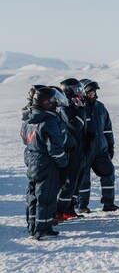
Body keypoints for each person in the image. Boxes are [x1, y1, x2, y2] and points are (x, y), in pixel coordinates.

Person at [20, 87, 68, 240]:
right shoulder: (49, 121)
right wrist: (63, 163)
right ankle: (42, 229)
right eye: (54, 100)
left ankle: (33, 226)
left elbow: (24, 139)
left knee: (33, 195)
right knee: (46, 197)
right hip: (47, 163)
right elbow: (55, 148)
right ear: (46, 102)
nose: (56, 103)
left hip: (32, 161)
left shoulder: (28, 120)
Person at [76, 79, 119, 213]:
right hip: (84, 151)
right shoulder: (79, 108)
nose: (93, 94)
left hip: (101, 149)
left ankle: (108, 204)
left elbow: (107, 128)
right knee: (83, 179)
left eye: (94, 92)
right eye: (90, 92)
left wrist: (110, 146)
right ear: (83, 93)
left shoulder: (100, 107)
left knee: (109, 172)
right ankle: (82, 206)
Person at [55, 79, 87, 221]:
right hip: (70, 151)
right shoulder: (65, 107)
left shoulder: (73, 105)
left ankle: (69, 208)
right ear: (69, 91)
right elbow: (75, 126)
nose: (80, 92)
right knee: (69, 182)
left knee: (77, 182)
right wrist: (81, 110)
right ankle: (59, 211)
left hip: (79, 150)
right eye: (77, 89)